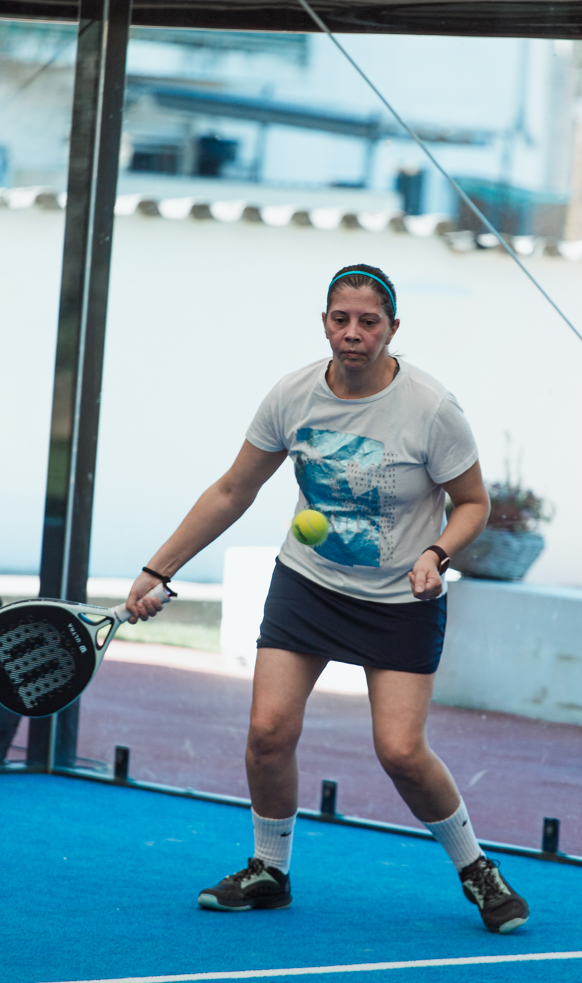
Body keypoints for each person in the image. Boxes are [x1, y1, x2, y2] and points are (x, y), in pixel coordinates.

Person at [126, 264, 530, 934]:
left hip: (401, 597)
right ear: (324, 324)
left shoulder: (431, 408)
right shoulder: (292, 395)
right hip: (308, 586)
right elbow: (232, 490)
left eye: (369, 322)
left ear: (392, 329)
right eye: (341, 320)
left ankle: (476, 869)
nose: (353, 333)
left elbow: (472, 503)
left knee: (401, 752)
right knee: (267, 733)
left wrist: (436, 554)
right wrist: (157, 569)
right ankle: (269, 870)